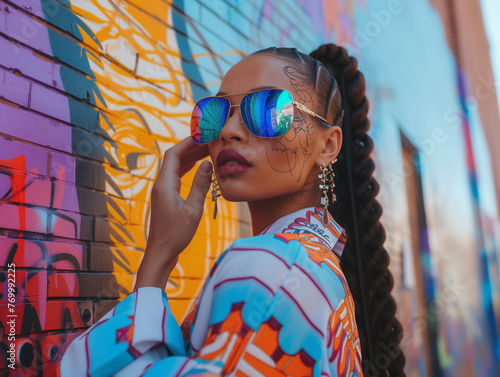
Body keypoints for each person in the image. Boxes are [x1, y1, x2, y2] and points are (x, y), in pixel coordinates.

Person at [57, 44, 406, 377]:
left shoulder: (274, 269)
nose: (228, 131)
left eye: (269, 109)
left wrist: (158, 257)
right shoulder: (318, 263)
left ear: (327, 145)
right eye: (216, 113)